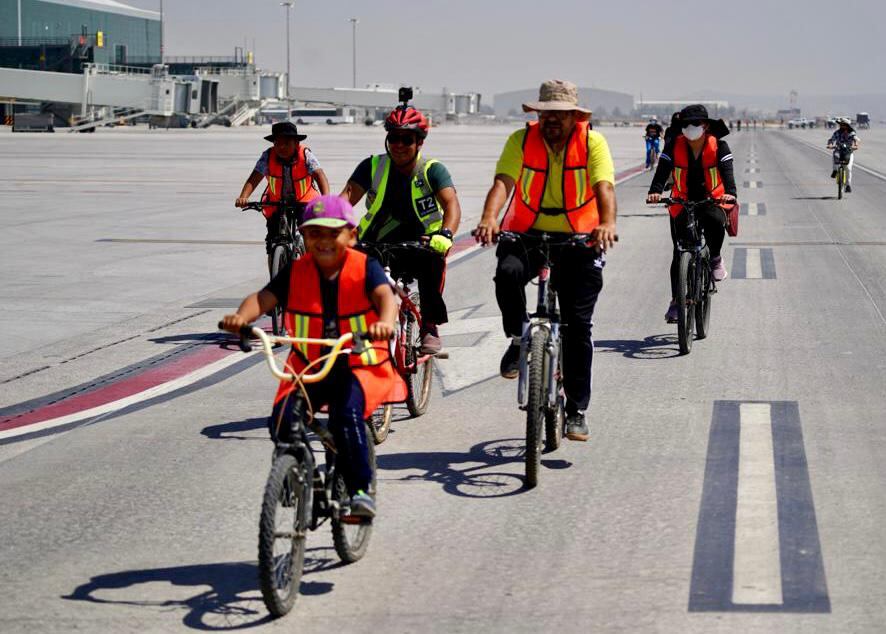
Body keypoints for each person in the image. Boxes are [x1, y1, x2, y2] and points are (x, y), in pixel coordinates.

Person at [220, 195, 406, 518]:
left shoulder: (365, 268)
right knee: (282, 421)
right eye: (313, 233)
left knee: (348, 418)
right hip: (309, 366)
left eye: (332, 233)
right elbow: (263, 298)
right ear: (303, 237)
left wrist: (386, 325)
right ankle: (295, 472)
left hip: (356, 363)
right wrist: (241, 318)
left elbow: (385, 298)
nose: (323, 241)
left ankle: (361, 490)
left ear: (351, 235)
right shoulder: (297, 271)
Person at [474, 79, 618, 442]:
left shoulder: (592, 143)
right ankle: (518, 337)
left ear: (574, 116)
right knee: (506, 273)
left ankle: (577, 410)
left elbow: (604, 187)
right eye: (547, 114)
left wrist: (607, 223)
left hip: (580, 238)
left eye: (561, 114)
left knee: (577, 327)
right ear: (538, 114)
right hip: (526, 234)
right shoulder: (521, 140)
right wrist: (490, 218)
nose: (553, 120)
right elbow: (503, 183)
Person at [341, 95, 462, 355]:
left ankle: (429, 326)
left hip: (421, 243)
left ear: (419, 142)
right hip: (376, 241)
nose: (399, 145)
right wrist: (330, 227)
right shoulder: (372, 166)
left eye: (407, 139)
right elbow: (344, 201)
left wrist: (446, 234)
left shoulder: (432, 170)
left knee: (433, 263)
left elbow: (452, 205)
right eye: (393, 138)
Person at [646, 104, 737, 323]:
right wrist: (655, 191)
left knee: (716, 220)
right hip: (682, 201)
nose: (690, 128)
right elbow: (662, 171)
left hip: (712, 198)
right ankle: (677, 301)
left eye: (695, 124)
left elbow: (727, 172)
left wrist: (731, 194)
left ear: (705, 126)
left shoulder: (720, 146)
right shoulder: (672, 146)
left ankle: (714, 257)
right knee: (679, 252)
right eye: (685, 124)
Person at [235, 121, 330, 256]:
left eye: (286, 143)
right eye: (277, 143)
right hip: (276, 202)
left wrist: (326, 199)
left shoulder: (306, 155)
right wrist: (244, 196)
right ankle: (275, 270)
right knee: (272, 241)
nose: (281, 147)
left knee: (310, 235)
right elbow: (255, 177)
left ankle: (312, 266)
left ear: (296, 143)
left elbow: (320, 176)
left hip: (305, 201)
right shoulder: (268, 156)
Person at [827, 117, 860, 193]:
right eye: (840, 124)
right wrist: (830, 144)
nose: (841, 126)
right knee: (835, 157)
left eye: (843, 124)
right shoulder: (837, 133)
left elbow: (856, 140)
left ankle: (848, 185)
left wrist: (855, 145)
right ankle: (835, 170)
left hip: (848, 152)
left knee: (848, 168)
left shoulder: (852, 133)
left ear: (847, 125)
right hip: (838, 150)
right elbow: (831, 139)